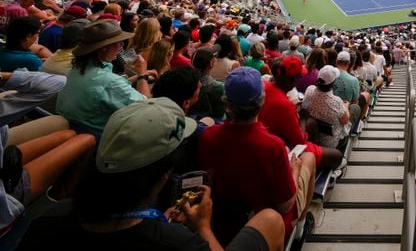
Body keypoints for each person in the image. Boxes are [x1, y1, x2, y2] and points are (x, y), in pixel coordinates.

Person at [18, 98, 285, 250]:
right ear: (164, 174)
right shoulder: (182, 244)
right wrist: (203, 227)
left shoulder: (47, 218)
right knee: (271, 218)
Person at [198, 67, 316, 244]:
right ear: (261, 100)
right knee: (309, 158)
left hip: (221, 221)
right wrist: (295, 170)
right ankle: (299, 228)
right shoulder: (272, 146)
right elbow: (286, 204)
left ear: (228, 103)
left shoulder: (208, 135)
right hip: (263, 225)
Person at [56, 20, 152, 137]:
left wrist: (136, 77)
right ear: (104, 47)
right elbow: (146, 108)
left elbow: (108, 88)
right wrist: (142, 75)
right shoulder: (108, 81)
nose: (122, 45)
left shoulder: (77, 68)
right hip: (100, 139)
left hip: (77, 130)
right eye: (118, 42)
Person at [258, 56, 343, 170]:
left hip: (271, 135)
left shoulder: (264, 85)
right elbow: (299, 141)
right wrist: (302, 117)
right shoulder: (285, 105)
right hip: (283, 145)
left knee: (312, 123)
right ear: (292, 80)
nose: (300, 79)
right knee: (337, 155)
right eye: (299, 76)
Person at [301, 65, 350, 150]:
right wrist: (346, 107)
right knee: (354, 109)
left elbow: (304, 107)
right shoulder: (336, 101)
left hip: (314, 137)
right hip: (331, 143)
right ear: (333, 82)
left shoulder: (309, 90)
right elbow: (345, 120)